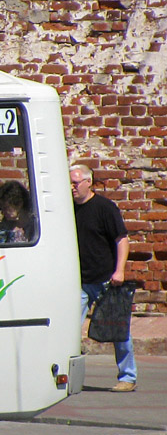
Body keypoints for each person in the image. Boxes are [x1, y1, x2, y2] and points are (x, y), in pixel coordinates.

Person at [71, 164, 134, 392]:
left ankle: (128, 376)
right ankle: (67, 376)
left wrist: (120, 270)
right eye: (70, 182)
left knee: (118, 328)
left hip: (106, 278)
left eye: (76, 182)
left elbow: (122, 239)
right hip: (78, 280)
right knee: (68, 329)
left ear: (89, 182)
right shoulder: (68, 209)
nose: (72, 187)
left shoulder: (105, 208)